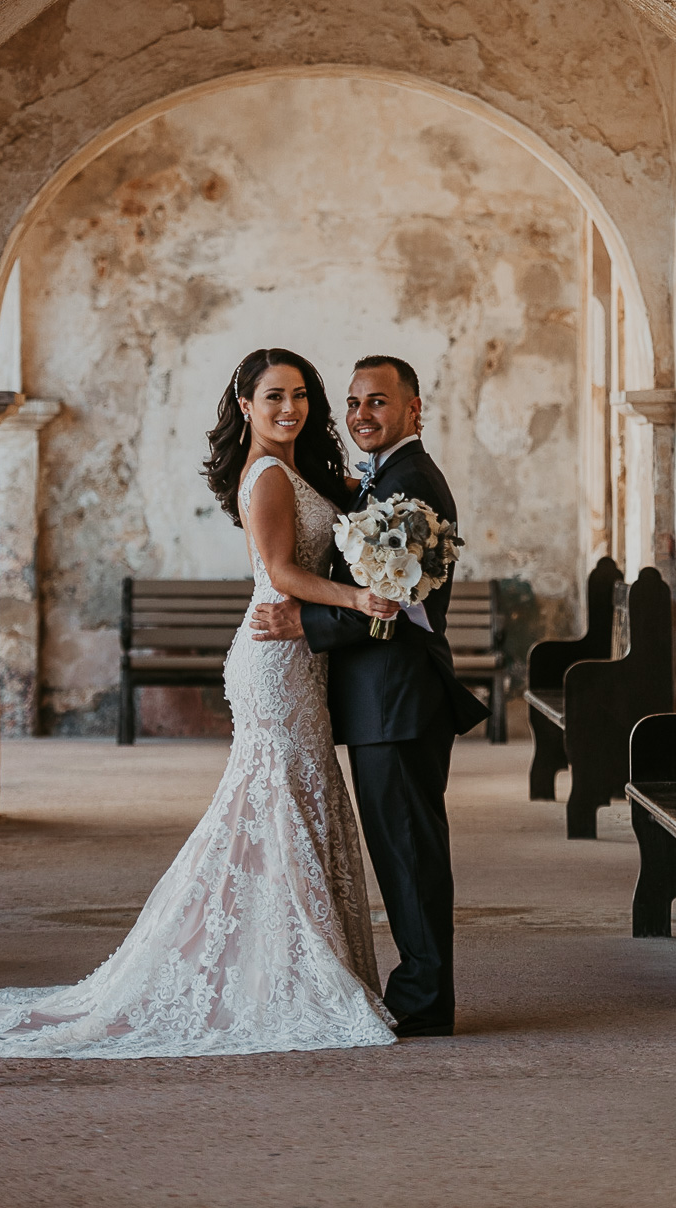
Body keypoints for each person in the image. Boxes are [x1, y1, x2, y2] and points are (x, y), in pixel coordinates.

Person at [0, 348, 397, 1058]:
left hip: (298, 657)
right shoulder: (270, 475)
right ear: (244, 404)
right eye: (275, 395)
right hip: (275, 657)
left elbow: (356, 515)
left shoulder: (301, 469)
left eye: (302, 394)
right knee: (276, 802)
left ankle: (292, 962)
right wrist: (359, 597)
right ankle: (283, 972)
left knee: (285, 804)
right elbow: (279, 571)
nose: (291, 408)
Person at [251, 355, 488, 1038]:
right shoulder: (383, 477)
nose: (362, 416)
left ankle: (423, 1000)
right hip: (382, 697)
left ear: (414, 411)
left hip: (399, 696)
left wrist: (307, 621)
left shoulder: (413, 482)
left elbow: (398, 603)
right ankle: (418, 988)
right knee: (400, 847)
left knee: (409, 850)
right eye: (354, 404)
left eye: (378, 403)